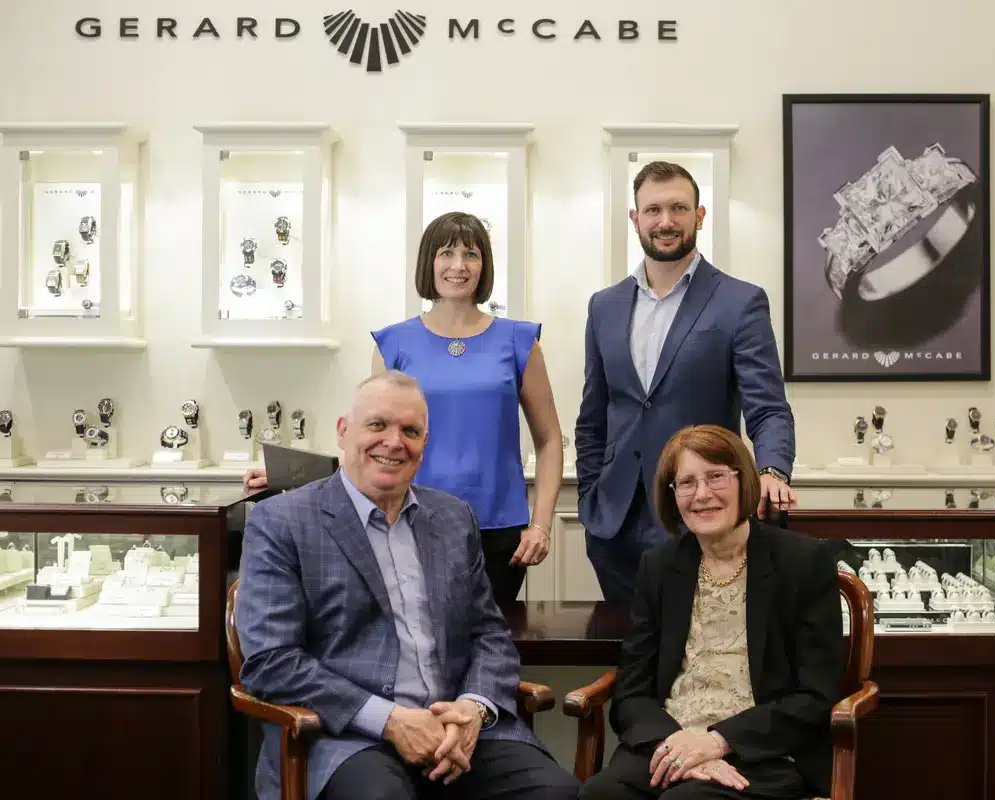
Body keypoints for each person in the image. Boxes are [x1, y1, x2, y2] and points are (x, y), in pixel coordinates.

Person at [236, 371, 581, 800]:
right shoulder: (282, 522)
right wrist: (390, 720)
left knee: (559, 794)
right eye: (378, 425)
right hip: (346, 735)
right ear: (344, 431)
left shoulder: (453, 518)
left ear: (424, 444)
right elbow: (272, 661)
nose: (394, 442)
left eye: (410, 431)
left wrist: (473, 708)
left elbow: (489, 634)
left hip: (457, 726)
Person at [244, 211, 563, 604]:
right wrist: (289, 479)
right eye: (446, 253)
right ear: (429, 262)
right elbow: (371, 440)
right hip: (406, 523)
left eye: (471, 254)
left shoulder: (519, 342)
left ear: (485, 265)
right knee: (414, 647)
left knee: (484, 649)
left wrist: (542, 525)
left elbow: (548, 441)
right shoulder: (393, 344)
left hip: (498, 532)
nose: (458, 266)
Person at [578, 425, 842, 800]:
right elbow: (631, 692)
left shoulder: (803, 562)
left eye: (716, 477)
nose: (701, 495)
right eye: (686, 483)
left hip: (762, 751)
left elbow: (816, 695)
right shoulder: (659, 567)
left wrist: (718, 742)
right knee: (599, 796)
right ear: (673, 497)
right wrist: (679, 746)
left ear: (744, 481)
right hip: (669, 743)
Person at [575, 160, 798, 604]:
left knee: (697, 656)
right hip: (614, 525)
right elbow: (593, 416)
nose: (665, 221)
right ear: (635, 219)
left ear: (699, 215)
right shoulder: (605, 306)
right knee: (630, 659)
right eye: (653, 210)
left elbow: (768, 407)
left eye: (679, 208)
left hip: (700, 512)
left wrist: (773, 469)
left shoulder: (740, 302)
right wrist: (589, 494)